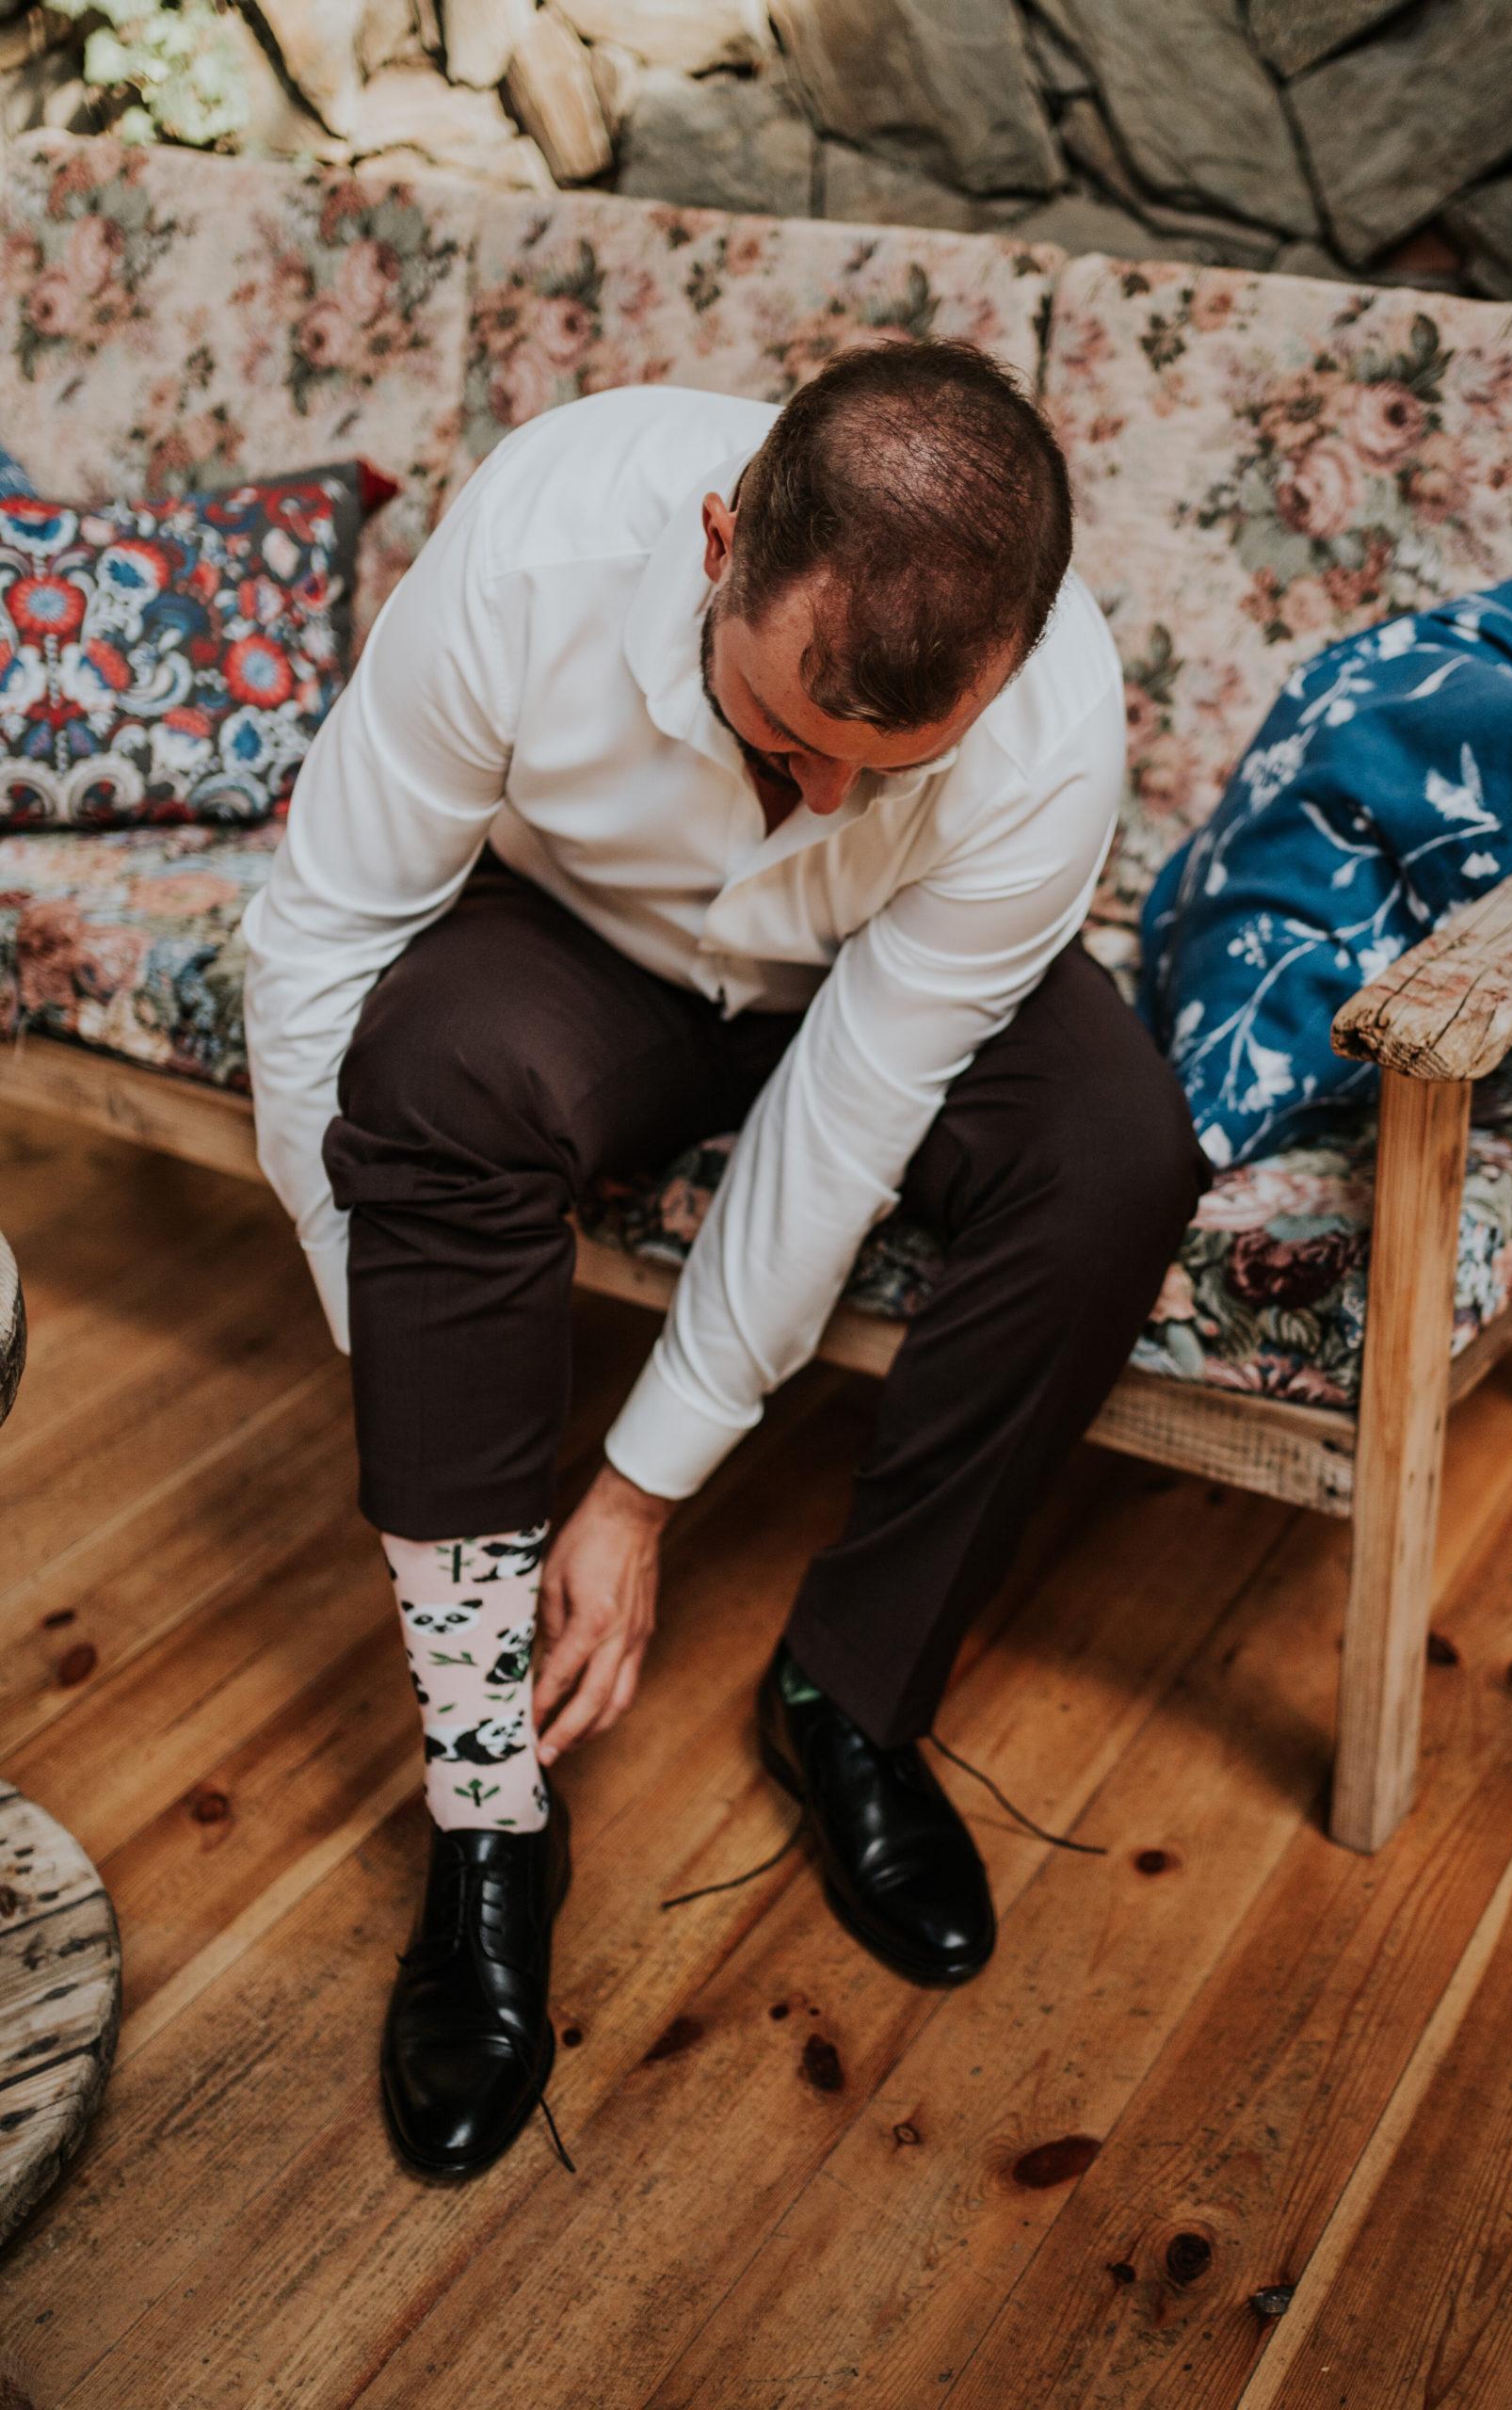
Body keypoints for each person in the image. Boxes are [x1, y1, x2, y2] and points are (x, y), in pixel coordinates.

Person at [243, 340, 1207, 2181]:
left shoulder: (1049, 718)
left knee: (1114, 1159)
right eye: (784, 731)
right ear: (717, 544)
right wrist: (388, 1334)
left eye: (886, 767)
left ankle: (851, 1696)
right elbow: (320, 943)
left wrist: (635, 1489)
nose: (826, 798)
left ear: (1008, 664)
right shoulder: (534, 542)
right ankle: (489, 1804)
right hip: (578, 948)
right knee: (427, 1070)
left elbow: (845, 1116)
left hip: (869, 991)